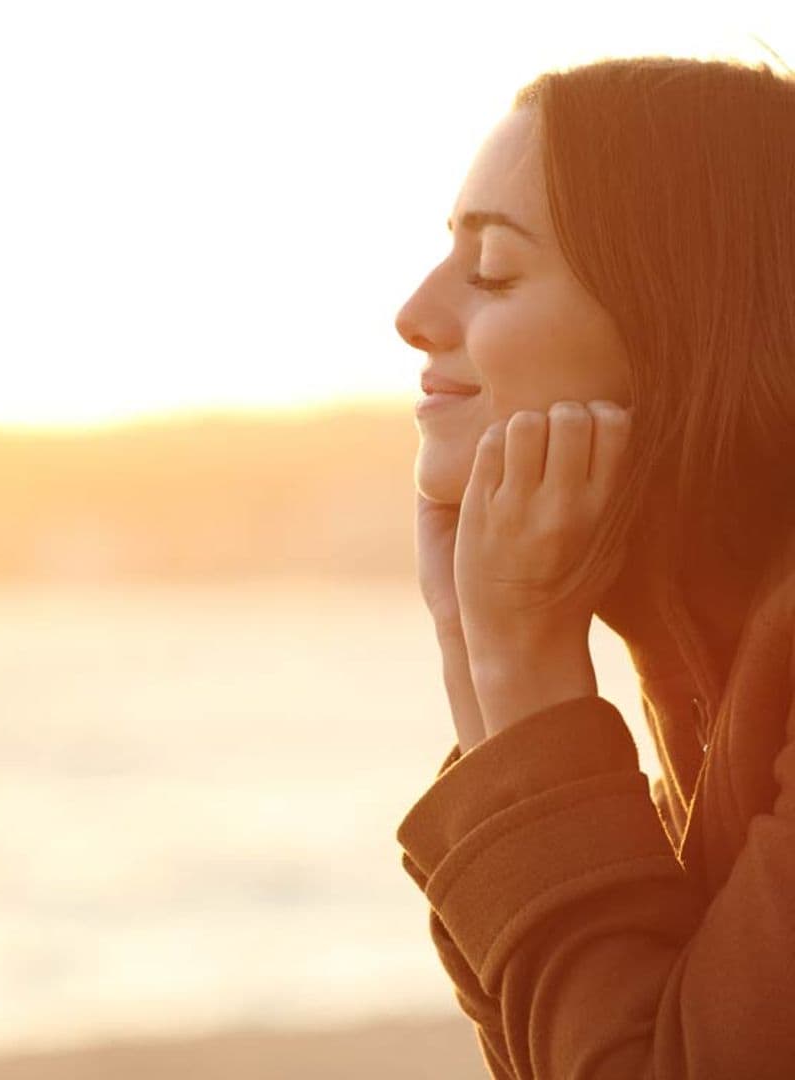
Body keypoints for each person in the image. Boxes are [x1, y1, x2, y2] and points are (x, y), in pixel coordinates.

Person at [392, 56, 795, 1079]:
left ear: (683, 315)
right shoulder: (713, 649)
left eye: (493, 271)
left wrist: (525, 660)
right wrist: (474, 645)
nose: (415, 314)